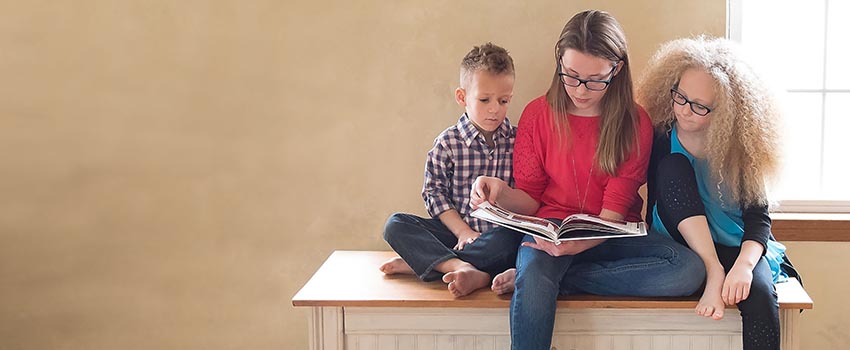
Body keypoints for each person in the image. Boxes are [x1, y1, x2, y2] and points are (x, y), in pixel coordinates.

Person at [470, 10, 705, 349]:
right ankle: (536, 278)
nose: (580, 90)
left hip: (612, 232)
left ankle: (556, 280)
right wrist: (499, 192)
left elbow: (612, 213)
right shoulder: (538, 114)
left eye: (595, 79)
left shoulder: (634, 121)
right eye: (571, 75)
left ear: (617, 69)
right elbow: (530, 199)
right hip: (551, 229)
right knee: (536, 275)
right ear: (560, 64)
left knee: (687, 270)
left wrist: (579, 244)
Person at [637, 36, 800, 350]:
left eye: (700, 107)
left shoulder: (742, 149)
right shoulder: (660, 138)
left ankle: (725, 269)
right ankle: (712, 270)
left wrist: (744, 266)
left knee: (762, 295)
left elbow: (759, 220)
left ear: (724, 110)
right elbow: (657, 204)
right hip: (681, 240)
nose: (685, 111)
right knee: (673, 166)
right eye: (680, 97)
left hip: (735, 243)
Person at [380, 42, 523, 297]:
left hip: (497, 238)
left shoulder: (518, 140)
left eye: (503, 101)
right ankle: (458, 265)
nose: (495, 109)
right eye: (484, 99)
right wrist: (463, 231)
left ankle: (426, 263)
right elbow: (434, 193)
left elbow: (525, 194)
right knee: (395, 225)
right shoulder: (448, 143)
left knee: (511, 242)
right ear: (462, 97)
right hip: (455, 232)